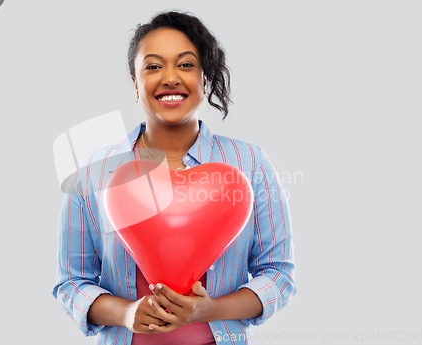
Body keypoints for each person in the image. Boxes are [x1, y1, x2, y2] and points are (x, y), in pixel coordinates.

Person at [53, 10, 296, 345]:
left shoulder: (251, 164)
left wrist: (211, 310)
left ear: (205, 78)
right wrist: (126, 313)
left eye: (185, 64)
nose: (170, 78)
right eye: (153, 66)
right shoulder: (93, 172)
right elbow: (71, 282)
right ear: (135, 84)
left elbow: (279, 274)